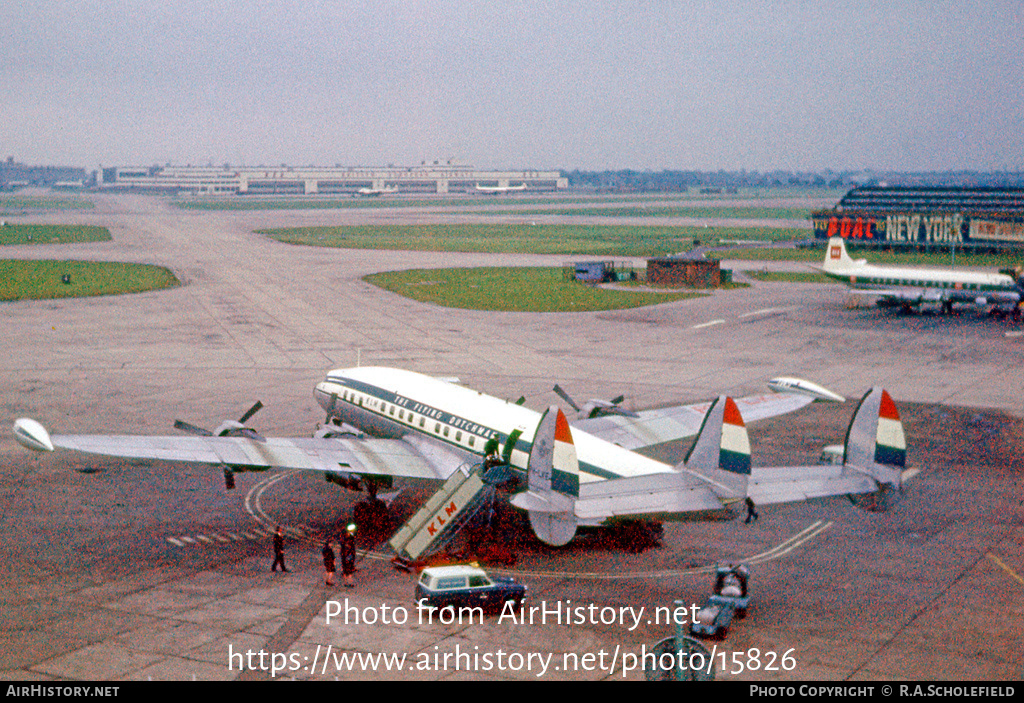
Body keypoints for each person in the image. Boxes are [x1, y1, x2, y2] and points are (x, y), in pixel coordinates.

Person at [341, 523, 357, 587]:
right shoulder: (348, 544)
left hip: (345, 559)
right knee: (349, 573)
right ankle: (350, 583)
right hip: (348, 559)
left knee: (345, 572)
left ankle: (346, 583)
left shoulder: (344, 543)